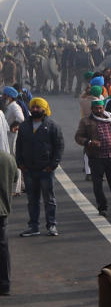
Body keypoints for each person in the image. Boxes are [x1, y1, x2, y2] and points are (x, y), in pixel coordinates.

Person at [15, 97, 63, 237]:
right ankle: (33, 227)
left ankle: (52, 225)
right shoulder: (24, 126)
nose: (35, 109)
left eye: (38, 107)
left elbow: (59, 147)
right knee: (32, 200)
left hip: (46, 170)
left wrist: (53, 165)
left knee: (49, 199)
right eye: (33, 107)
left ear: (44, 109)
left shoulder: (53, 126)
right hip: (29, 170)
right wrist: (20, 163)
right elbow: (19, 146)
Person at [75, 96, 111, 215]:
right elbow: (78, 137)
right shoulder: (85, 121)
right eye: (96, 108)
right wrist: (90, 142)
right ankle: (102, 207)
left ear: (104, 108)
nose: (98, 111)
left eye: (100, 108)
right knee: (98, 184)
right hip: (96, 158)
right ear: (92, 109)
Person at [0, 150, 13, 295]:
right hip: (3, 209)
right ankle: (5, 285)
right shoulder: (7, 158)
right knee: (3, 248)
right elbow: (15, 176)